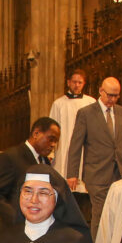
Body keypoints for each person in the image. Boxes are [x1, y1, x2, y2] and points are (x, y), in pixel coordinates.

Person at [65, 76, 122, 240]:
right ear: (101, 91)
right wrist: (72, 173)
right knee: (100, 213)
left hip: (121, 172)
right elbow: (76, 145)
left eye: (116, 96)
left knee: (120, 214)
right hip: (97, 173)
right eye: (110, 95)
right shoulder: (86, 113)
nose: (112, 99)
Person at [0, 117, 60, 233]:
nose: (53, 145)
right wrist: (17, 219)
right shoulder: (10, 157)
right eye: (51, 139)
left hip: (40, 228)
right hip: (16, 230)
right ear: (36, 133)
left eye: (56, 141)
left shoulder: (44, 161)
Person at [49, 68, 96, 206]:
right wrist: (51, 152)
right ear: (68, 82)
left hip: (84, 151)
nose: (77, 85)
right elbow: (52, 131)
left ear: (84, 84)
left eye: (80, 82)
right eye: (74, 82)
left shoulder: (91, 103)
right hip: (63, 150)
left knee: (83, 194)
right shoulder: (58, 104)